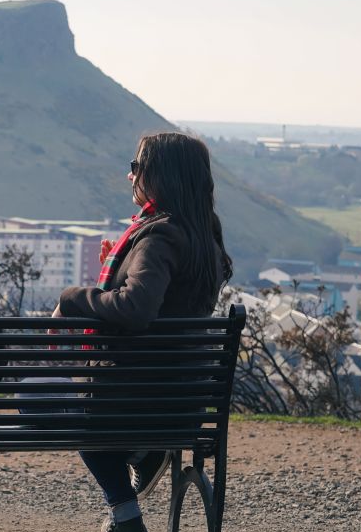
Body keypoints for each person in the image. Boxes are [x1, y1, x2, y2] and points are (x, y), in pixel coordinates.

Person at [54, 132, 233, 532]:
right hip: (181, 400)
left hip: (133, 399)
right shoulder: (205, 237)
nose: (128, 175)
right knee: (81, 399)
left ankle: (126, 511)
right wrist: (120, 273)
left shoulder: (159, 235)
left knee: (42, 394)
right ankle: (143, 453)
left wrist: (73, 298)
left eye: (135, 167)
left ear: (159, 175)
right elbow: (170, 305)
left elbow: (136, 310)